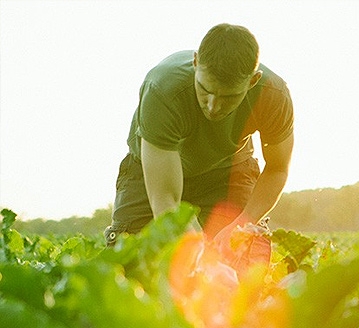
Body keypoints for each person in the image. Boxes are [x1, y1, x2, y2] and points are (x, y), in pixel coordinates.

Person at [104, 23, 294, 247]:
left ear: (253, 81)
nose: (213, 106)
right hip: (152, 175)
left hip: (227, 173)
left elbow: (277, 168)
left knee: (244, 255)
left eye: (228, 97)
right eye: (205, 90)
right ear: (195, 63)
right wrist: (200, 254)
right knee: (136, 260)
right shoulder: (163, 89)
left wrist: (241, 224)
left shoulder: (273, 95)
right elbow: (166, 200)